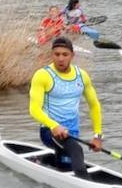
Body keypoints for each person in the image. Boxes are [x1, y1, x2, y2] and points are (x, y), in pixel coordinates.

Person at [28, 36, 103, 178]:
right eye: (57, 54)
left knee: (66, 164)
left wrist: (97, 136)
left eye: (65, 54)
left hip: (72, 132)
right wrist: (54, 126)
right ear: (52, 55)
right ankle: (86, 186)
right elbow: (34, 110)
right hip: (49, 131)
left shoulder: (82, 76)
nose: (60, 59)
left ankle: (42, 162)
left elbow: (94, 106)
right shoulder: (43, 75)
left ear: (72, 56)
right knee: (76, 151)